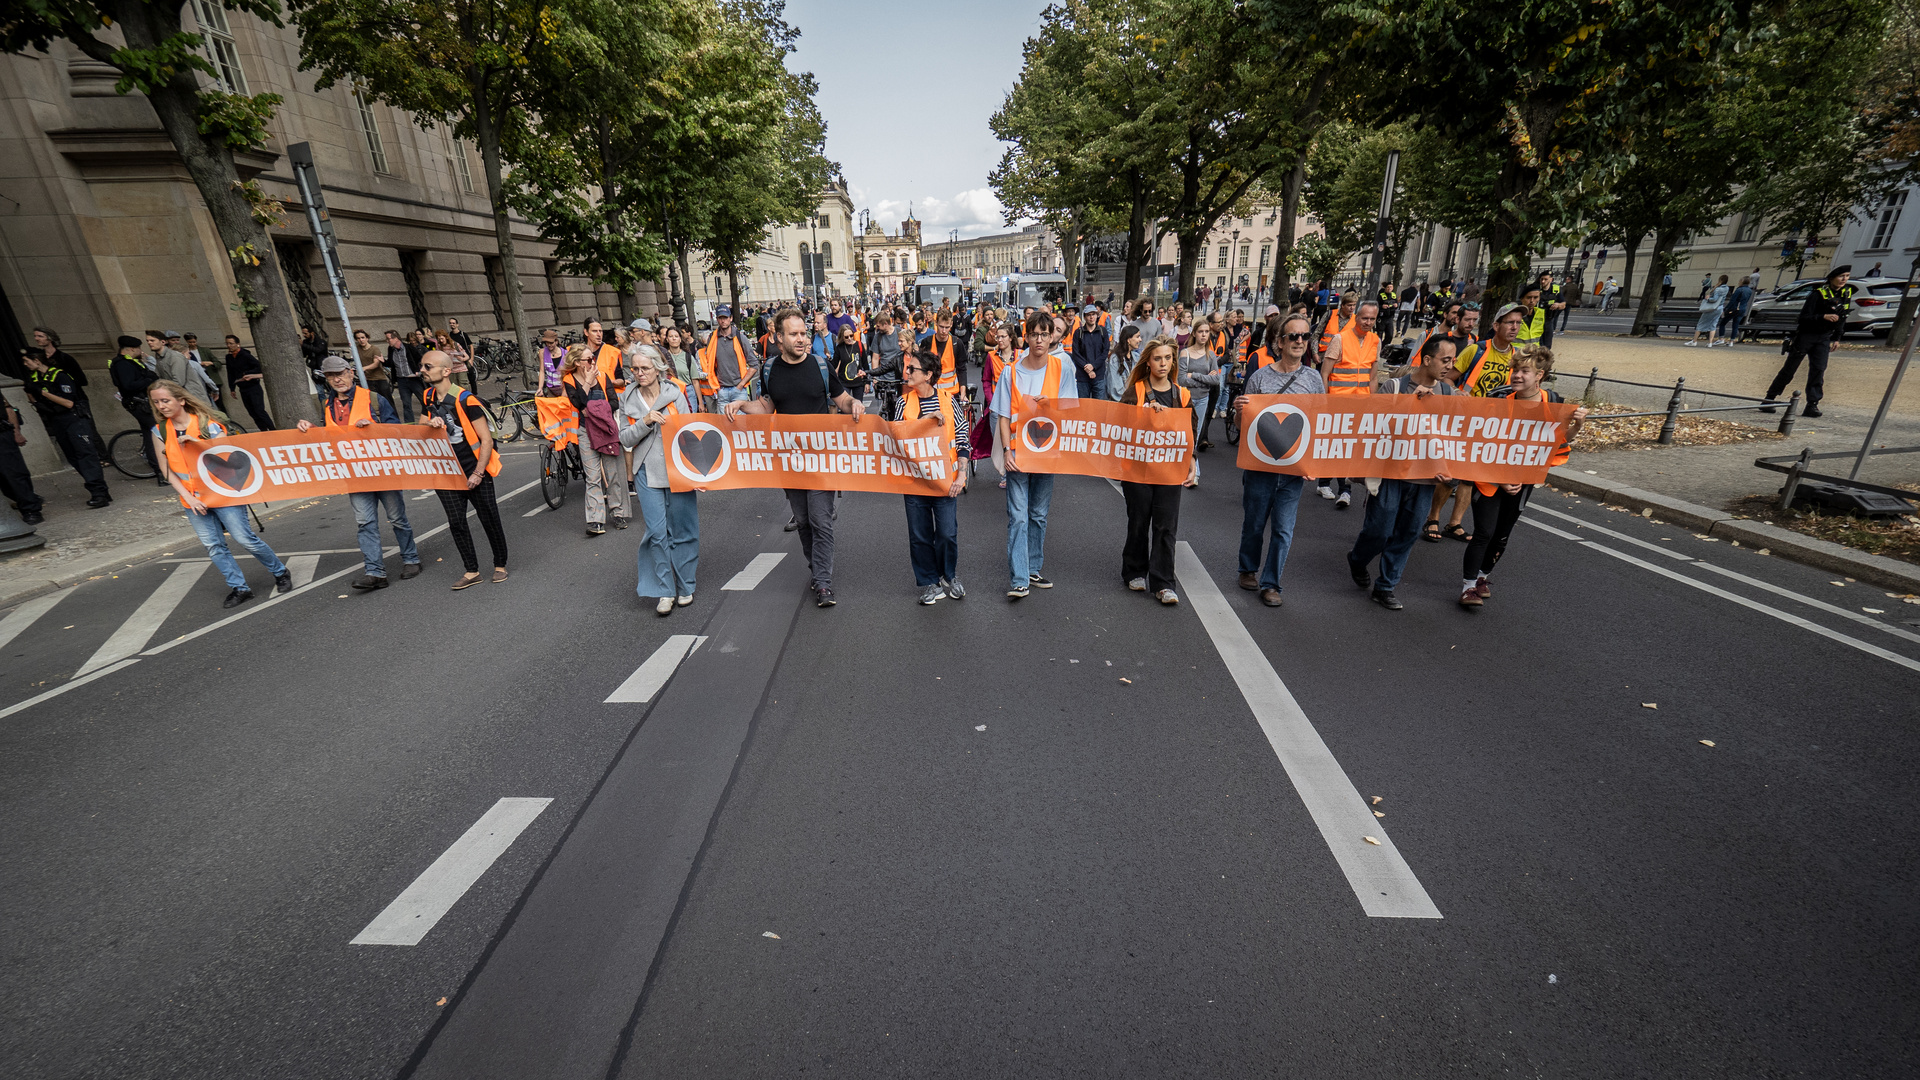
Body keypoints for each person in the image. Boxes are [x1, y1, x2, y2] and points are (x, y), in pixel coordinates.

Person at [723, 307, 864, 607]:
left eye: (804, 333)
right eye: (794, 334)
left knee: (821, 520)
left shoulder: (821, 366)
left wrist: (854, 405)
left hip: (822, 459)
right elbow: (766, 406)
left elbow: (842, 398)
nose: (802, 340)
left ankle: (824, 582)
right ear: (778, 337)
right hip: (789, 462)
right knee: (803, 522)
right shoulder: (769, 369)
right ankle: (816, 569)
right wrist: (741, 406)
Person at [1459, 346, 1586, 608]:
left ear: (1539, 375)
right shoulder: (1497, 400)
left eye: (1523, 371)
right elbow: (1479, 444)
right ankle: (1468, 587)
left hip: (1524, 481)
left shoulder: (1553, 401)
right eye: (1514, 370)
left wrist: (1577, 426)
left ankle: (1483, 578)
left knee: (1502, 535)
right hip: (1490, 479)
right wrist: (1501, 478)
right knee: (1484, 532)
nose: (1516, 375)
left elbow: (1556, 442)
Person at [148, 379, 289, 607]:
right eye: (156, 402)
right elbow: (167, 471)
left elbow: (226, 457)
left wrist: (198, 443)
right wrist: (189, 498)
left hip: (223, 493)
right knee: (214, 546)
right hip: (192, 498)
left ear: (181, 400)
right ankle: (239, 588)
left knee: (245, 538)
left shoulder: (208, 425)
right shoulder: (159, 431)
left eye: (165, 400)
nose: (161, 406)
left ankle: (280, 572)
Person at [1346, 335, 1457, 610]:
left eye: (1452, 361)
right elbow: (1375, 425)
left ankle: (1385, 587)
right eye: (1445, 360)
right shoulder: (1394, 387)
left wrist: (1447, 468)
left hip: (1424, 478)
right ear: (1427, 359)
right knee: (1379, 530)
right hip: (1390, 474)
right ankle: (1358, 559)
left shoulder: (1446, 393)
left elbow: (1452, 435)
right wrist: (1413, 402)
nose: (1449, 366)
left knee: (1407, 532)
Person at [293, 357, 421, 590]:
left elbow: (396, 430)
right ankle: (375, 573)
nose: (336, 379)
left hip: (383, 472)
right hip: (354, 475)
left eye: (340, 373)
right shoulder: (327, 405)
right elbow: (330, 437)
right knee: (365, 522)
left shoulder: (374, 399)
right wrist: (311, 430)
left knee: (397, 518)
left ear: (351, 373)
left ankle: (411, 559)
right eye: (330, 376)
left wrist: (374, 428)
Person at [1235, 314, 1324, 607]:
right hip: (1261, 466)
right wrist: (1238, 410)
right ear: (1280, 342)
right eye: (1294, 336)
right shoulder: (1260, 378)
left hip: (1293, 471)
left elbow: (1319, 424)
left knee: (1284, 530)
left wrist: (1314, 463)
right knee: (1255, 523)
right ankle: (1248, 568)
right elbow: (1243, 426)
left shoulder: (1313, 379)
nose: (1300, 341)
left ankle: (1272, 584)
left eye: (1305, 336)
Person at [993, 310, 1077, 599]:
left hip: (1046, 452)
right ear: (1025, 337)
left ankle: (1032, 568)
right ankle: (1019, 579)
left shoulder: (1062, 368)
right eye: (1034, 334)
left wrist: (1051, 405)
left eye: (1045, 333)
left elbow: (1071, 410)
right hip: (1017, 453)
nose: (1040, 339)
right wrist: (1005, 451)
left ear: (1052, 336)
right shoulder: (1011, 372)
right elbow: (1003, 417)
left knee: (1038, 514)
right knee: (1018, 516)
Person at [619, 345, 698, 615]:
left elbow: (690, 433)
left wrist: (698, 471)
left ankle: (686, 585)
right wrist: (646, 421)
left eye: (645, 368)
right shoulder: (627, 397)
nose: (639, 373)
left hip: (677, 470)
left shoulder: (675, 394)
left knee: (684, 529)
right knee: (656, 533)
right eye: (635, 368)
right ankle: (665, 591)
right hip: (645, 472)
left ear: (658, 368)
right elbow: (625, 439)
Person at [1119, 338, 1198, 604]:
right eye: (1157, 358)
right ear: (1148, 362)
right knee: (1139, 521)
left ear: (1173, 361)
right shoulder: (1136, 391)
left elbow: (1190, 432)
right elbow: (1119, 424)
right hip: (1138, 470)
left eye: (1167, 358)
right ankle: (1134, 570)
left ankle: (1163, 582)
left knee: (1166, 527)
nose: (1163, 363)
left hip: (1168, 471)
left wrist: (1192, 462)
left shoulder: (1182, 395)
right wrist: (1143, 413)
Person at [420, 350, 508, 588]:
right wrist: (430, 422)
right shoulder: (428, 396)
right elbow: (419, 428)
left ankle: (500, 565)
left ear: (446, 371)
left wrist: (479, 473)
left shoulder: (466, 399)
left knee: (489, 518)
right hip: (446, 474)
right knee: (456, 522)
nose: (422, 370)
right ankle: (471, 571)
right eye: (422, 366)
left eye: (428, 367)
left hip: (475, 471)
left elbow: (486, 440)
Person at [895, 347, 970, 604]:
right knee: (920, 535)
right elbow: (895, 437)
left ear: (927, 375)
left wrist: (961, 475)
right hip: (914, 481)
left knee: (947, 533)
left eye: (912, 368)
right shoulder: (903, 403)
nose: (907, 372)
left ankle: (949, 576)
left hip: (944, 480)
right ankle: (929, 582)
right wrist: (924, 420)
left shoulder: (949, 401)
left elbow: (962, 437)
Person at [22, 349, 111, 508]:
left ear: (37, 360)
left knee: (85, 455)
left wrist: (42, 393)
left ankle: (99, 493)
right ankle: (101, 490)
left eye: (27, 361)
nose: (25, 365)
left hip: (74, 419)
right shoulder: (35, 378)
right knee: (72, 457)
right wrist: (32, 395)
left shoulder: (60, 376)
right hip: (56, 421)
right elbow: (35, 400)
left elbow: (68, 403)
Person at [1315, 298, 1383, 508]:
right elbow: (1324, 374)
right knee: (1335, 445)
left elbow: (1373, 377)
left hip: (1360, 403)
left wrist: (1373, 403)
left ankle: (1342, 489)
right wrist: (1325, 402)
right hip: (1337, 402)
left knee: (1349, 447)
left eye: (1372, 318)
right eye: (1364, 318)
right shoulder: (1340, 339)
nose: (1368, 322)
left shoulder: (1375, 341)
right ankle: (1329, 484)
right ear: (1356, 317)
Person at [1764, 264, 1852, 420]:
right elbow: (1803, 318)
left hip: (1824, 337)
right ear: (1832, 278)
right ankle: (1769, 399)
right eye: (1841, 276)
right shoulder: (1818, 294)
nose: (1844, 279)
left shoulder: (1845, 294)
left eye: (1847, 276)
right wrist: (1822, 316)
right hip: (1807, 335)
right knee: (1790, 368)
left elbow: (1842, 317)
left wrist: (1837, 337)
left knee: (1819, 370)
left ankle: (1812, 404)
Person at [561, 344, 630, 535]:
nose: (593, 362)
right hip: (585, 431)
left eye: (593, 358)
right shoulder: (569, 379)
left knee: (612, 473)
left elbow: (614, 402)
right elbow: (577, 403)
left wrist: (593, 409)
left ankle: (618, 512)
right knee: (592, 477)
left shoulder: (603, 376)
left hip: (606, 430)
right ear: (577, 362)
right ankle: (595, 520)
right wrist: (587, 382)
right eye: (589, 359)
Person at [699, 305, 757, 411]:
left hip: (738, 390)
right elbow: (711, 364)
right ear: (717, 319)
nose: (723, 321)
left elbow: (754, 364)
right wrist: (718, 388)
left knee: (740, 426)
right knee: (724, 426)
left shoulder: (740, 337)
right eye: (720, 318)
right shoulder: (712, 338)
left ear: (730, 318)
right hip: (722, 390)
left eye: (725, 318)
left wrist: (740, 385)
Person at [0, 395, 44, 525]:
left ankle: (31, 509)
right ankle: (29, 499)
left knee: (14, 474)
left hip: (2, 435)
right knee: (3, 480)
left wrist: (16, 432)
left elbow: (8, 408)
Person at [1178, 325, 1222, 454]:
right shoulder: (1185, 353)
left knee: (1196, 434)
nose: (1204, 335)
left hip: (1203, 398)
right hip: (1187, 398)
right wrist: (1205, 380)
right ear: (1194, 334)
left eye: (1206, 332)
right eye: (1200, 332)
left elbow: (1215, 380)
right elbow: (1182, 379)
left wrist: (1195, 375)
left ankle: (1192, 466)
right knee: (1183, 433)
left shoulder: (1211, 355)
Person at [1070, 302, 1111, 400]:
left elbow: (1105, 351)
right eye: (1088, 315)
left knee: (1099, 406)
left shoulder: (1102, 331)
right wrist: (1087, 368)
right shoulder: (1078, 332)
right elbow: (1076, 353)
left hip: (1099, 375)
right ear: (1084, 317)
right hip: (1082, 377)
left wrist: (1093, 366)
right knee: (1083, 406)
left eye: (1093, 314)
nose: (1091, 317)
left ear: (1097, 316)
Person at [1689, 275, 1730, 347]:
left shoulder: (1718, 289)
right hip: (1720, 307)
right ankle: (1710, 342)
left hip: (1712, 308)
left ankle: (1694, 341)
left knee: (1701, 323)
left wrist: (1708, 298)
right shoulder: (1726, 288)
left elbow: (1714, 299)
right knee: (1713, 325)